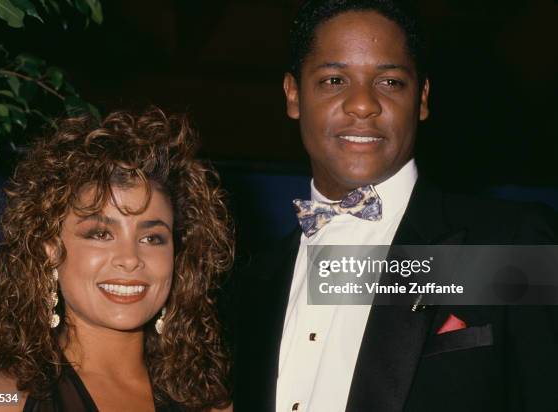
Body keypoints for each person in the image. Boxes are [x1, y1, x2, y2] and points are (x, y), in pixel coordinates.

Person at [232, 1, 558, 411]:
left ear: (422, 98)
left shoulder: (512, 243)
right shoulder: (253, 283)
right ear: (293, 94)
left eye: (389, 82)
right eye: (334, 80)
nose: (363, 104)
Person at [0, 108, 234, 411]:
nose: (130, 259)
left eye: (151, 238)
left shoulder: (211, 405)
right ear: (50, 249)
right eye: (100, 234)